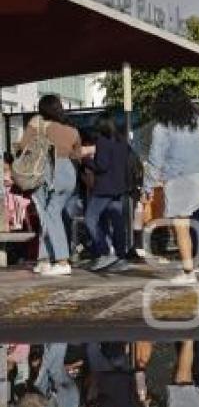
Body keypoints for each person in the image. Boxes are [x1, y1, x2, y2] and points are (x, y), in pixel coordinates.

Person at [145, 86, 199, 285]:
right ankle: (193, 263)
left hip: (177, 180)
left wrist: (147, 187)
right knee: (191, 221)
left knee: (181, 227)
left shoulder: (161, 128)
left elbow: (155, 160)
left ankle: (189, 271)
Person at [20, 94, 82, 276]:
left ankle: (62, 261)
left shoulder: (38, 124)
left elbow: (23, 146)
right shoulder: (72, 130)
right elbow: (76, 155)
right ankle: (44, 259)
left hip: (47, 171)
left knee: (49, 215)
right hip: (69, 174)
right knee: (51, 214)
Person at [82, 114, 131, 272]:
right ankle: (121, 257)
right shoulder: (122, 143)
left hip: (104, 188)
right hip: (119, 188)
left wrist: (87, 161)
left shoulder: (102, 142)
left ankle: (104, 251)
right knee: (117, 223)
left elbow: (101, 166)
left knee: (90, 218)